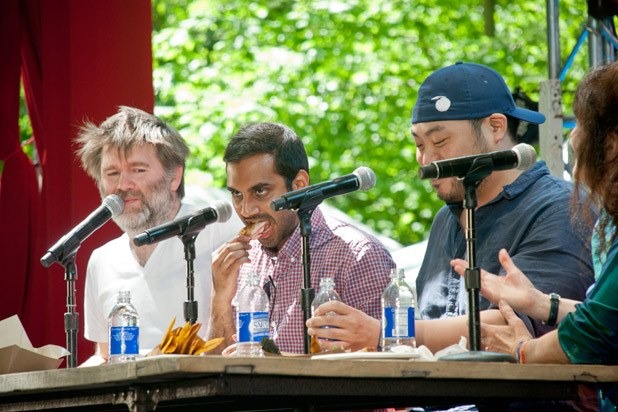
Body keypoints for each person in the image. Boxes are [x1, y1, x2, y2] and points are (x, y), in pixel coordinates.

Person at [307, 62, 596, 355]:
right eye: (419, 144)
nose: (426, 160)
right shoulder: (445, 219)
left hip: (526, 400)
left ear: (495, 127)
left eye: (440, 141)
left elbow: (513, 323)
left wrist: (385, 333)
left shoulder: (561, 207)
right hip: (436, 399)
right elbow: (431, 324)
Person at [450, 61, 618, 365]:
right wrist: (540, 303)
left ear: (610, 147)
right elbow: (607, 316)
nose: (573, 134)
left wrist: (523, 350)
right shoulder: (445, 220)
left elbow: (589, 335)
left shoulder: (553, 205)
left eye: (581, 123)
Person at [206, 121, 395, 354]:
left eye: (260, 191)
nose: (246, 210)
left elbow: (388, 364)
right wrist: (220, 299)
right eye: (237, 194)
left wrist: (277, 365)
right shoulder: (243, 261)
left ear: (299, 184)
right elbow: (215, 371)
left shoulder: (358, 255)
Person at [75, 106, 243, 365]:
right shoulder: (102, 260)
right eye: (112, 173)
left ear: (174, 177)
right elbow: (105, 355)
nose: (123, 185)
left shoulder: (219, 229)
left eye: (138, 170)